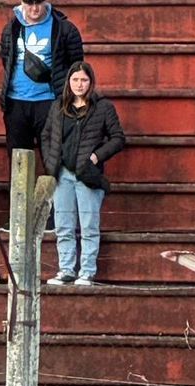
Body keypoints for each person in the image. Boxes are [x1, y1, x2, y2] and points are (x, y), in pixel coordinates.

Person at [41, 61, 126, 288]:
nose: (79, 84)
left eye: (84, 80)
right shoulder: (58, 106)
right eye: (75, 79)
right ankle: (66, 270)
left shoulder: (103, 107)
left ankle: (87, 272)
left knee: (89, 226)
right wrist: (51, 164)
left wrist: (96, 157)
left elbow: (118, 138)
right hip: (63, 175)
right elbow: (46, 136)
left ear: (91, 82)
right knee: (63, 225)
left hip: (88, 175)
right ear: (69, 81)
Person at [0, 1, 85, 153]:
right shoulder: (11, 28)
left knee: (53, 158)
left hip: (50, 101)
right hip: (16, 103)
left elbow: (76, 67)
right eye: (29, 3)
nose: (34, 8)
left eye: (38, 2)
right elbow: (7, 60)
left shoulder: (65, 29)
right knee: (18, 159)